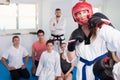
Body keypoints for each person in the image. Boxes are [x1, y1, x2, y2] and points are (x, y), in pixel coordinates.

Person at [67, 1, 120, 80]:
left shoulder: (101, 30)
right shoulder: (75, 35)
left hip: (101, 67)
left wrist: (105, 24)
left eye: (84, 12)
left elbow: (114, 44)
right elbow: (70, 59)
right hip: (82, 71)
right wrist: (71, 46)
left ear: (90, 11)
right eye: (79, 13)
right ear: (75, 16)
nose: (82, 15)